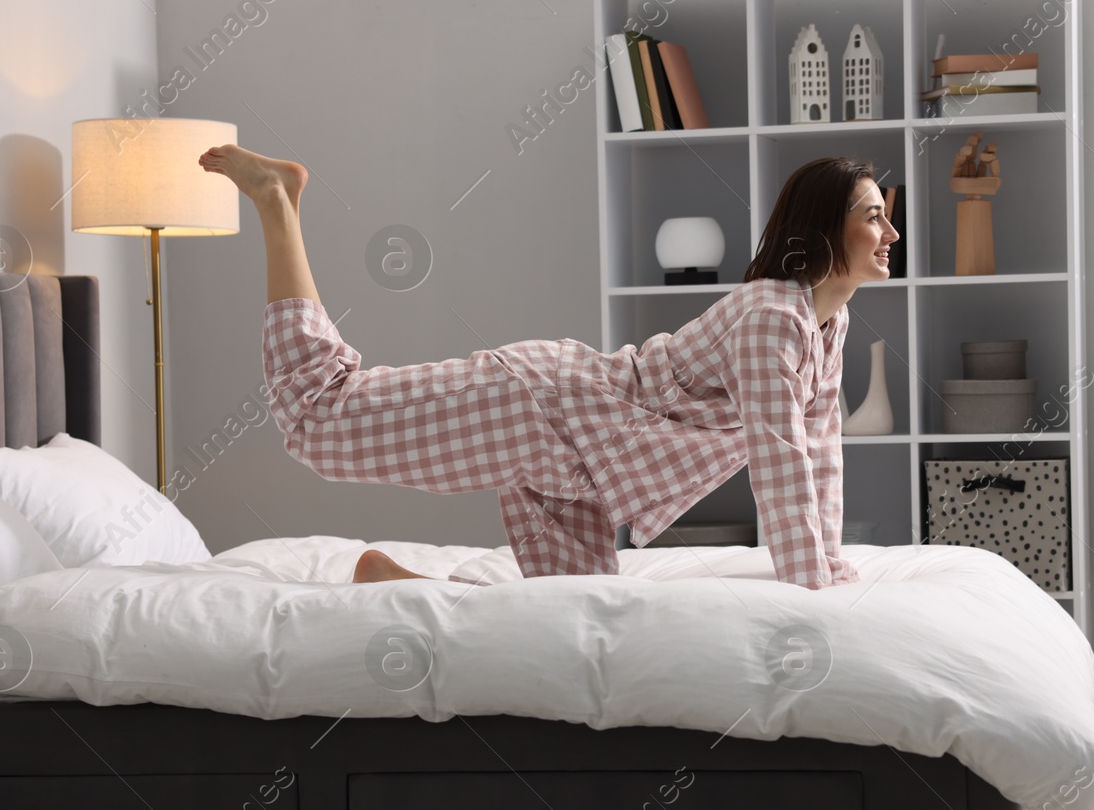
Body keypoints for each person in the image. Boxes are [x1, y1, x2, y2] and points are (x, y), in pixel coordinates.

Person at [198, 146, 897, 588]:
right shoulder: (771, 317)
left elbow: (818, 454)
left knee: (571, 623)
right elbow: (778, 460)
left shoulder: (825, 325)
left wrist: (831, 564)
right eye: (873, 215)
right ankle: (277, 201)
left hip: (585, 464)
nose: (890, 232)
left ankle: (399, 584)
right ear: (824, 227)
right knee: (320, 417)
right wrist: (811, 585)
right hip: (539, 408)